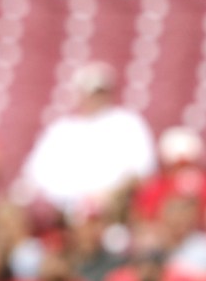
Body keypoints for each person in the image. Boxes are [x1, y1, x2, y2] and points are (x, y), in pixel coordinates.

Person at [17, 61, 157, 215]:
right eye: (91, 92)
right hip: (58, 210)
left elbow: (142, 172)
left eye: (100, 92)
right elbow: (33, 174)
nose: (95, 98)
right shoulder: (61, 129)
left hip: (110, 210)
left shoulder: (128, 122)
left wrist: (107, 198)